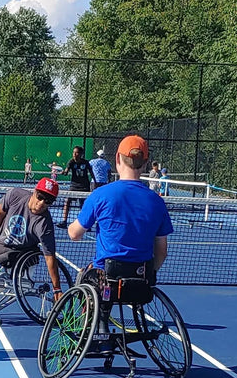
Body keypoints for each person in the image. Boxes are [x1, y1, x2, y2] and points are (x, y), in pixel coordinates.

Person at [68, 134, 173, 342]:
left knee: (84, 276)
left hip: (105, 280)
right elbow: (161, 251)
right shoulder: (157, 201)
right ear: (145, 162)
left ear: (117, 159)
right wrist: (148, 273)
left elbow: (74, 233)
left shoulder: (101, 195)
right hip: (141, 282)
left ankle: (93, 326)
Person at [0, 177, 64, 302]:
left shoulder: (45, 224)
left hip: (25, 251)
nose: (41, 203)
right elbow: (0, 213)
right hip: (3, 243)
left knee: (23, 286)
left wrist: (57, 288)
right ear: (35, 192)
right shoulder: (15, 195)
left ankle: (5, 285)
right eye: (40, 197)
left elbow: (49, 256)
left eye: (48, 201)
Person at [56, 146, 96, 229]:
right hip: (74, 186)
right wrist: (63, 172)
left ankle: (86, 224)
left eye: (77, 152)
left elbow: (91, 172)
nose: (74, 154)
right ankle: (64, 221)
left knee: (83, 205)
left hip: (84, 187)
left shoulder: (85, 163)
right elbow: (66, 171)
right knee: (67, 202)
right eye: (73, 152)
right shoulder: (71, 162)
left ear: (81, 154)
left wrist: (95, 182)